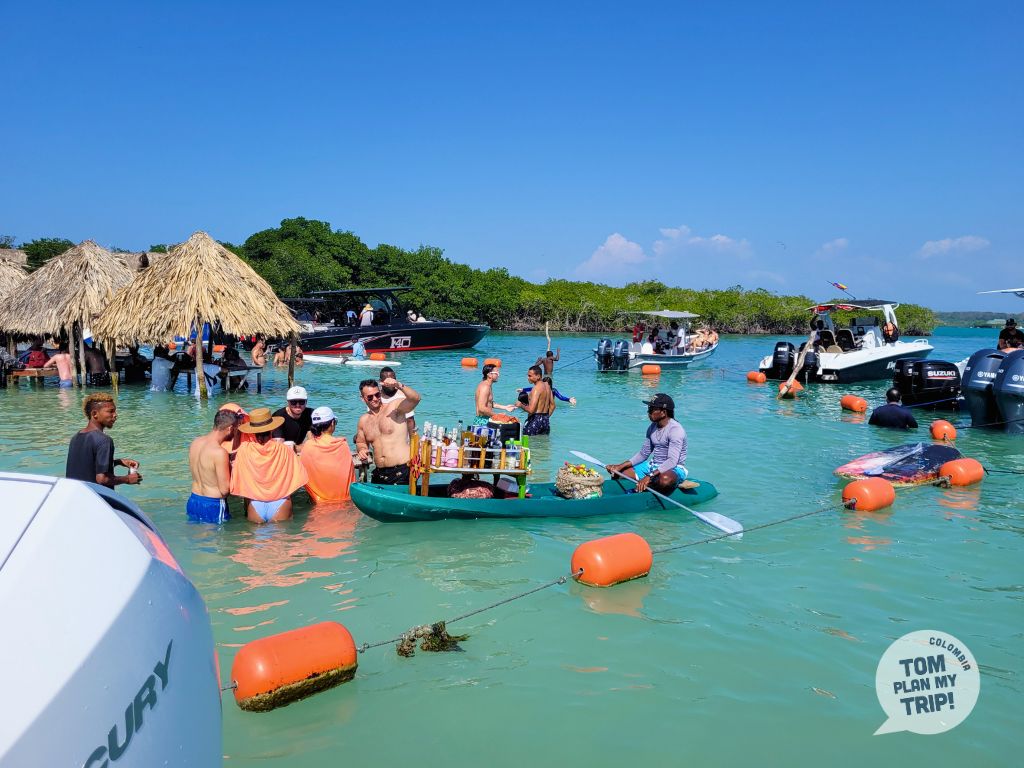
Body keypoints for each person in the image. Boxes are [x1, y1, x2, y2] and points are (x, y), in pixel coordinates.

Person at [230, 408, 308, 523]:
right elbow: (299, 477)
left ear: (253, 431)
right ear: (271, 429)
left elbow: (237, 472)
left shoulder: (244, 450)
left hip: (255, 504)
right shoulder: (283, 449)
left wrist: (237, 433)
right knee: (280, 540)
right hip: (281, 503)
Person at [605, 393, 688, 495]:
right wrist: (619, 466)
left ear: (663, 412)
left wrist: (649, 476)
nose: (648, 412)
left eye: (652, 409)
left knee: (664, 479)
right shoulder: (652, 427)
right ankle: (629, 491)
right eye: (649, 408)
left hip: (674, 468)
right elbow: (643, 454)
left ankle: (646, 488)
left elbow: (672, 461)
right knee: (620, 474)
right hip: (652, 466)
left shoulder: (676, 430)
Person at [66, 393, 142, 489]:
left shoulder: (76, 437)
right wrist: (127, 479)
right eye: (111, 411)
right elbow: (102, 479)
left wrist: (118, 462)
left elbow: (87, 467)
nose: (115, 415)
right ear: (94, 414)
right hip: (97, 499)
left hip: (77, 495)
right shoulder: (104, 441)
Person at [355, 375, 421, 484]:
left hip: (403, 469)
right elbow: (361, 442)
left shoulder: (394, 408)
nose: (375, 399)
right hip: (379, 473)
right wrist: (362, 450)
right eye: (370, 397)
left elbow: (415, 399)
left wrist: (398, 385)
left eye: (377, 395)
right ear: (363, 398)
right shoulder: (363, 420)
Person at [187, 409, 238, 523]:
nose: (236, 433)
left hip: (193, 500)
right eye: (236, 429)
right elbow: (224, 490)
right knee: (215, 540)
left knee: (198, 538)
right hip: (213, 504)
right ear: (230, 428)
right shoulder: (220, 452)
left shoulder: (195, 442)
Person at [300, 406, 355, 503]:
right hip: (345, 502)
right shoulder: (342, 445)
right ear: (332, 423)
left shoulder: (308, 447)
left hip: (319, 503)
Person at [517, 365, 555, 435]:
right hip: (545, 421)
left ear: (538, 376)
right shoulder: (547, 386)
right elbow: (553, 406)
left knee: (528, 443)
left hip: (534, 420)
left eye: (530, 376)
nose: (528, 378)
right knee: (543, 444)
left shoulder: (536, 389)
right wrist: (544, 418)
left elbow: (531, 410)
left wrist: (520, 405)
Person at [379, 366, 416, 435]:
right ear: (381, 381)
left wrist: (413, 442)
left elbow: (410, 420)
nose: (391, 383)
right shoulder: (375, 397)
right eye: (388, 380)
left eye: (393, 380)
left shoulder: (402, 396)